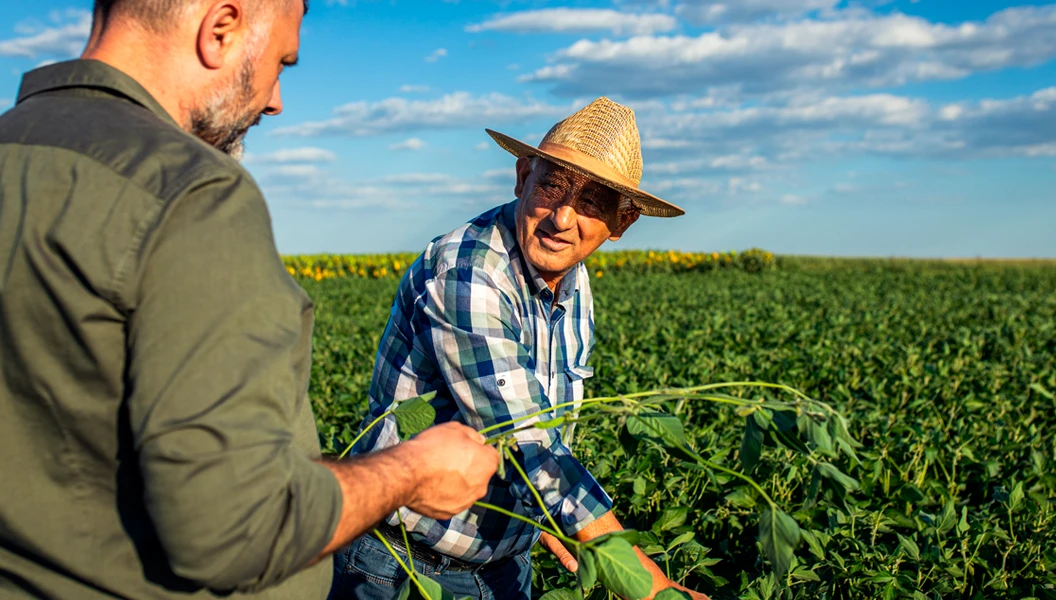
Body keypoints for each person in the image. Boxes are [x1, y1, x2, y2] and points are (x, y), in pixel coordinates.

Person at [0, 1, 499, 598]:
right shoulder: (191, 193)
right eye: (280, 62)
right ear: (221, 28)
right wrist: (411, 473)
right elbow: (236, 527)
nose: (275, 100)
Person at [330, 97, 709, 600]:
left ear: (622, 223)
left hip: (507, 568)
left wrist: (565, 526)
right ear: (522, 176)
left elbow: (543, 430)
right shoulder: (468, 273)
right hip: (403, 566)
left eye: (594, 201)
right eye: (552, 184)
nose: (563, 217)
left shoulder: (572, 280)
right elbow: (530, 441)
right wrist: (653, 588)